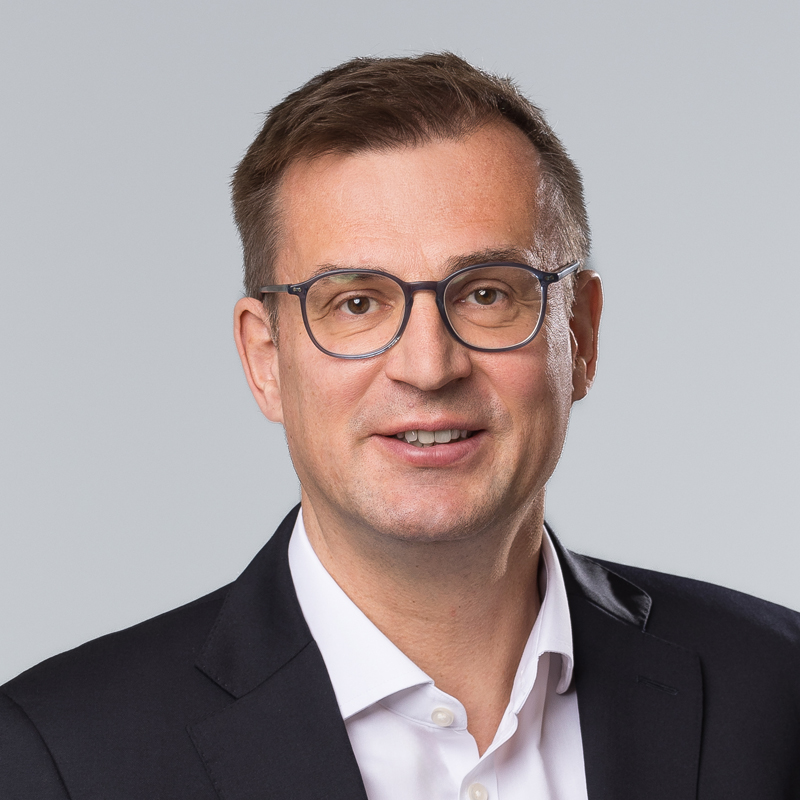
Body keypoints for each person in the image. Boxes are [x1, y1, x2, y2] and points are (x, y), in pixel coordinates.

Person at [1, 52, 798, 800]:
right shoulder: (62, 757)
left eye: (487, 293)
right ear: (266, 359)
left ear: (580, 336)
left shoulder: (779, 689)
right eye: (356, 303)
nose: (428, 366)